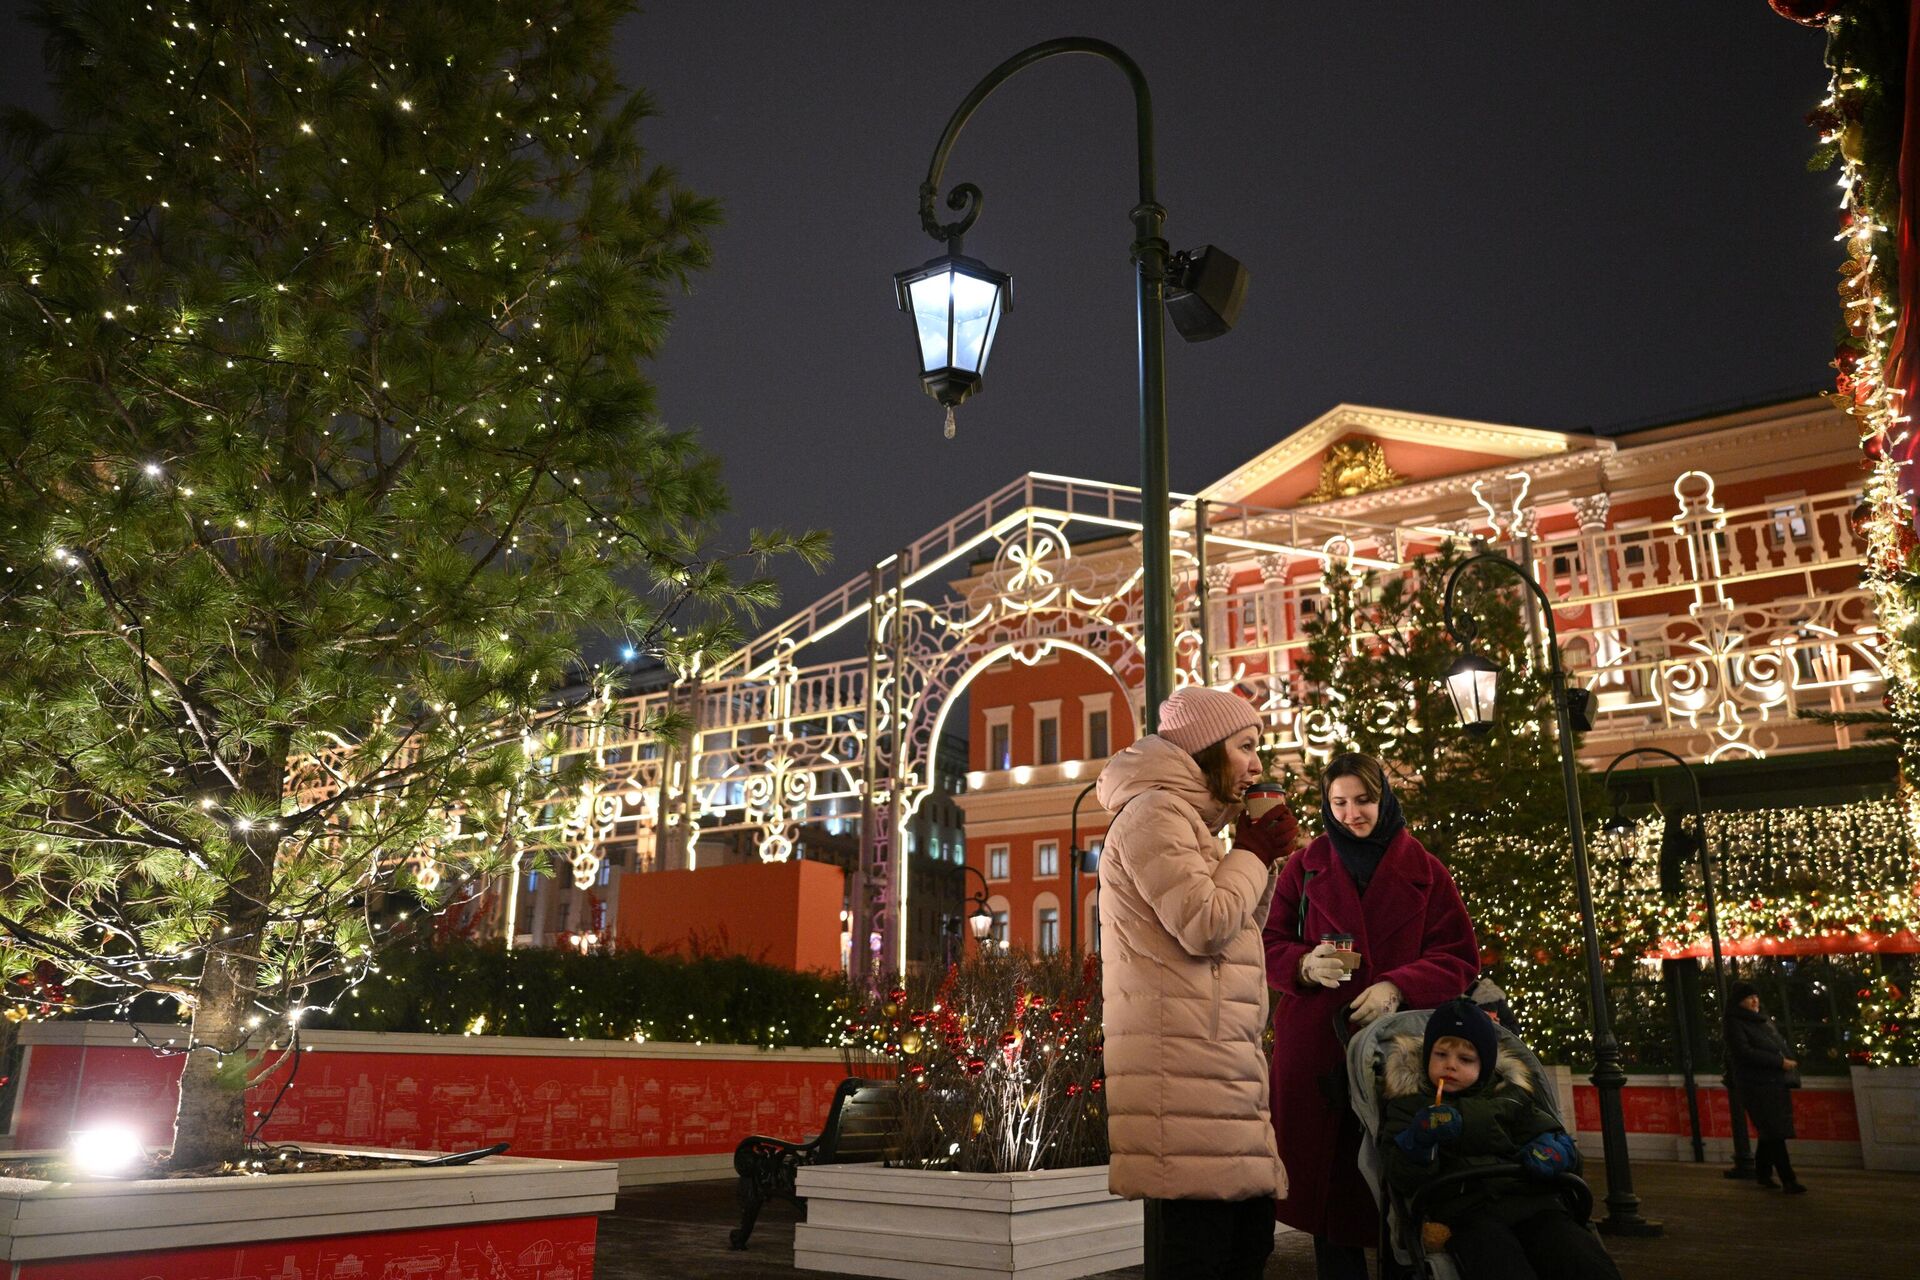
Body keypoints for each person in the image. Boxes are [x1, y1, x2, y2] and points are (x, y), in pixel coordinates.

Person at [1096, 686, 1299, 1279]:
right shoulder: (1153, 813)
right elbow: (1204, 924)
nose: (1258, 764)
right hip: (1181, 1078)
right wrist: (1254, 853)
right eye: (1245, 746)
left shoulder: (1196, 825)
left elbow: (1237, 931)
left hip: (1216, 1068)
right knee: (1202, 1258)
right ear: (1207, 750)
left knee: (1245, 1248)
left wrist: (1261, 858)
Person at [1264, 752, 1479, 1280]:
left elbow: (1459, 957)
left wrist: (1397, 986)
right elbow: (1268, 943)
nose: (1351, 814)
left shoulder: (1425, 870)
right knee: (1327, 1190)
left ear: (1384, 799)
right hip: (1318, 1045)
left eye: (1363, 800)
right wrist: (1304, 964)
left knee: (1398, 1181)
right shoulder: (1303, 865)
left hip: (1398, 1050)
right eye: (1338, 803)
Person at [1380, 998, 1622, 1280]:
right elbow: (1400, 1176)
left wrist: (1555, 1151)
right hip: (1464, 1212)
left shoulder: (1510, 1096)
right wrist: (1418, 1142)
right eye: (1440, 1055)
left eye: (1465, 1059)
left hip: (1530, 1201)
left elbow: (1551, 1136)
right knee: (1499, 1262)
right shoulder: (1410, 1104)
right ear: (1426, 1056)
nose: (1451, 1065)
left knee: (1578, 1255)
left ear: (1486, 1064)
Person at [1724, 980, 1806, 1193]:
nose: (1755, 1000)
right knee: (1774, 1131)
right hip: (1757, 1083)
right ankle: (1788, 1179)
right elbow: (1744, 1053)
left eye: (1756, 997)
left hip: (1771, 1081)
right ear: (1739, 1001)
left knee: (1770, 1131)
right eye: (1749, 997)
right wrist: (1779, 1062)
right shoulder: (1735, 1023)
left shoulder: (1759, 1020)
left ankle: (1763, 1173)